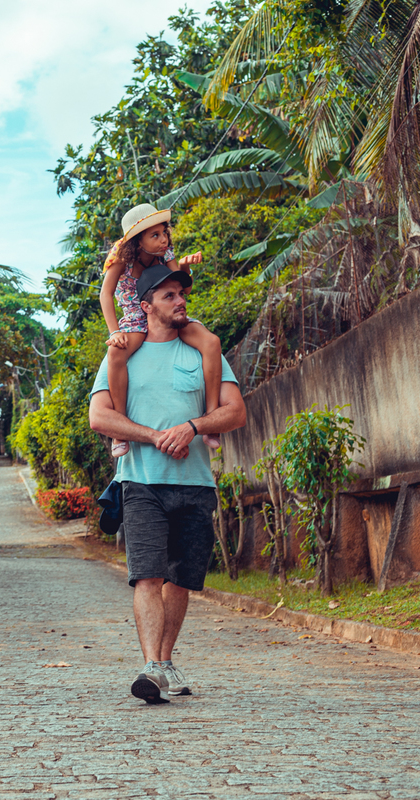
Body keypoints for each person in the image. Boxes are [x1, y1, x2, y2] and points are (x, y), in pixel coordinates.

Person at [88, 264, 247, 704]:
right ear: (145, 306)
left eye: (182, 294)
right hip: (140, 482)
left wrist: (193, 427)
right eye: (169, 295)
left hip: (195, 484)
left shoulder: (203, 352)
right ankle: (152, 667)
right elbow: (100, 416)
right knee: (147, 576)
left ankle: (165, 659)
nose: (180, 302)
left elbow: (235, 411)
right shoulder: (123, 353)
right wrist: (155, 435)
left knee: (180, 579)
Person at [100, 203, 223, 458]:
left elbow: (181, 287)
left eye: (164, 233)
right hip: (136, 316)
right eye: (155, 235)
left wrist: (186, 267)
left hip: (166, 314)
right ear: (137, 240)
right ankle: (119, 430)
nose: (163, 239)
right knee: (116, 355)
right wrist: (114, 333)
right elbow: (106, 293)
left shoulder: (166, 253)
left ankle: (212, 420)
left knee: (211, 342)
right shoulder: (121, 257)